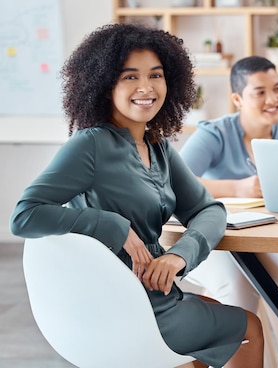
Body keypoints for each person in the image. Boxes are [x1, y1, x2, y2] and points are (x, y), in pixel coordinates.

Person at [9, 23, 264, 368]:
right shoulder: (90, 144)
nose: (146, 87)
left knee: (214, 323)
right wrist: (110, 224)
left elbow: (209, 210)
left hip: (155, 295)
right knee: (248, 327)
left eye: (155, 75)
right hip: (121, 306)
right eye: (130, 77)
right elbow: (24, 215)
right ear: (104, 83)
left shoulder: (157, 147)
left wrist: (179, 256)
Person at [179, 55, 278, 365]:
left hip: (269, 240)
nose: (273, 99)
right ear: (237, 98)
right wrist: (236, 188)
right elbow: (174, 181)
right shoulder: (215, 134)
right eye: (259, 92)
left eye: (277, 88)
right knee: (239, 287)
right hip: (215, 241)